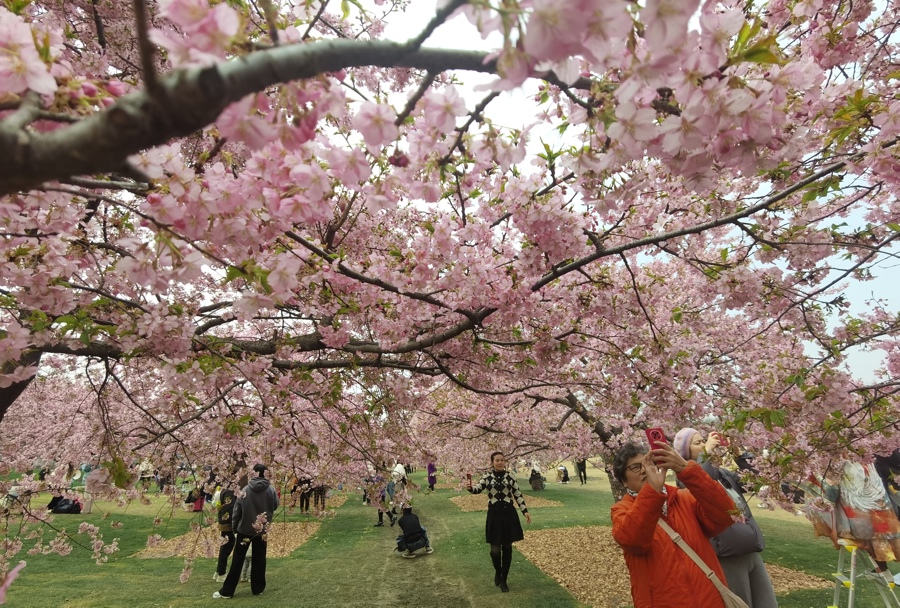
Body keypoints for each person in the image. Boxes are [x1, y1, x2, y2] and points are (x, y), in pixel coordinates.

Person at [611, 440, 736, 608]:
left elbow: (727, 515)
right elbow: (634, 542)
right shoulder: (622, 511)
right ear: (624, 481)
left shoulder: (684, 498)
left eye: (649, 463)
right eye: (635, 467)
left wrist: (686, 470)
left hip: (710, 600)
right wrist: (653, 492)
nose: (645, 470)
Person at [673, 427, 778, 608]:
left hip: (749, 548)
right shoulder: (685, 478)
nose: (705, 444)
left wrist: (740, 455)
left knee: (767, 603)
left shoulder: (723, 474)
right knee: (739, 603)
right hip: (726, 556)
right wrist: (708, 451)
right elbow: (701, 481)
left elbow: (756, 481)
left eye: (703, 440)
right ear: (686, 452)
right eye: (698, 443)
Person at [467, 451, 531, 593]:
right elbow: (478, 489)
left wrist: (525, 511)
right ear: (492, 462)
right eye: (497, 460)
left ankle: (504, 580)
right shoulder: (487, 477)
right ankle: (498, 571)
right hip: (494, 516)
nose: (500, 462)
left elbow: (517, 494)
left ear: (505, 462)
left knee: (507, 547)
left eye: (502, 460)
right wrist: (471, 488)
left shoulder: (510, 477)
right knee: (495, 550)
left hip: (508, 515)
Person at [213, 464, 279, 599]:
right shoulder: (270, 490)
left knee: (238, 559)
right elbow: (275, 505)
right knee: (260, 558)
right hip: (262, 530)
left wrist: (235, 527)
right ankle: (258, 588)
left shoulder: (246, 490)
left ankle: (228, 590)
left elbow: (237, 510)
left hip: (244, 530)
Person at [213, 485, 237, 583]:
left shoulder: (225, 489)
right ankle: (221, 573)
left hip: (225, 521)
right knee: (227, 546)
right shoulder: (229, 491)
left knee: (225, 546)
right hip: (228, 522)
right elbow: (229, 508)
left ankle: (219, 571)